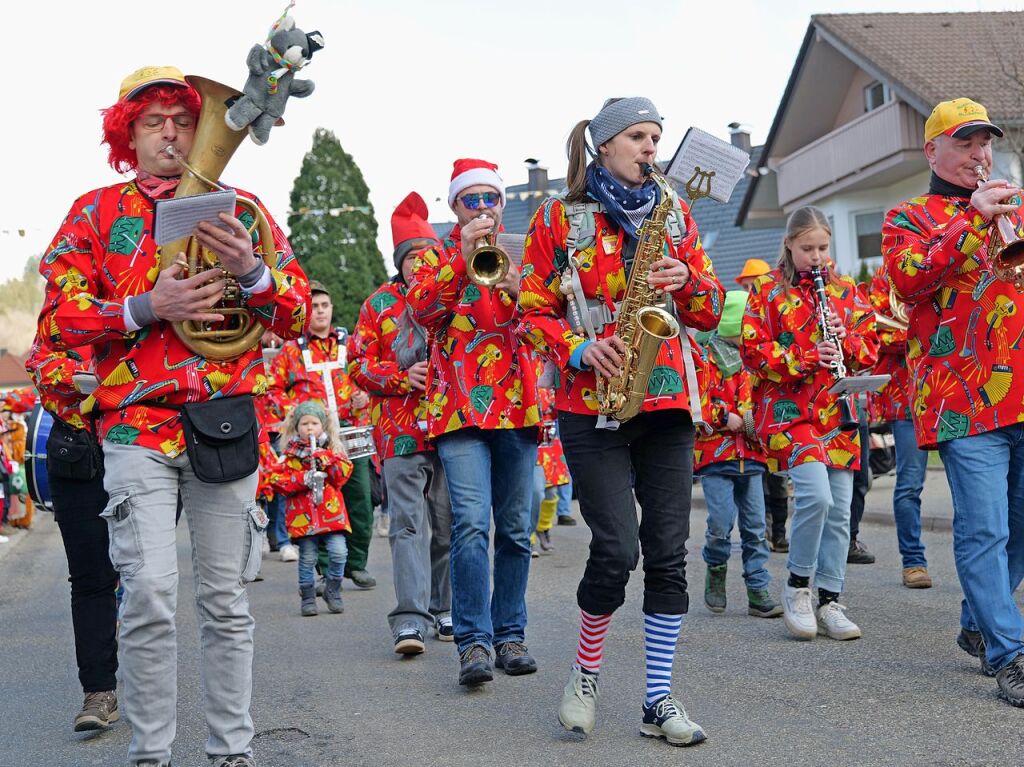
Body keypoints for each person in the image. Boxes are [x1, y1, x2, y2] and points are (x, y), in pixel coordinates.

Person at [35, 65, 310, 767]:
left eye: (182, 120)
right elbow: (58, 321)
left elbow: (300, 311)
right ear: (126, 135)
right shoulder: (93, 212)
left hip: (222, 419)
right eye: (152, 121)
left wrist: (252, 271)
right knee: (150, 593)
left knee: (225, 600)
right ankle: (151, 752)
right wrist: (146, 307)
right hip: (135, 425)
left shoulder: (240, 206)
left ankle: (231, 751)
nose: (170, 133)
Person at [517, 97, 724, 746]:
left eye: (656, 136)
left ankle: (658, 697)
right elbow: (528, 307)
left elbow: (713, 308)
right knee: (616, 548)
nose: (650, 146)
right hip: (590, 403)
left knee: (668, 553)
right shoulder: (558, 217)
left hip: (665, 399)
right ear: (604, 144)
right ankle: (585, 672)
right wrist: (577, 348)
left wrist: (687, 277)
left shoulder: (676, 211)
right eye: (637, 135)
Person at [882, 97, 1024, 705]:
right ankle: (1010, 652)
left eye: (983, 143)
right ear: (932, 151)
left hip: (1020, 389)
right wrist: (970, 218)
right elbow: (912, 279)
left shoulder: (1014, 209)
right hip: (962, 401)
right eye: (964, 143)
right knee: (985, 530)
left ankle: (978, 620)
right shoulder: (906, 216)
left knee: (1021, 529)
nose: (978, 154)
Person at [407, 158, 541, 687]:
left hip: (518, 405)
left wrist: (517, 288)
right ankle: (473, 642)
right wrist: (459, 262)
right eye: (472, 200)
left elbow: (549, 322)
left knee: (514, 528)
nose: (483, 208)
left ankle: (510, 633)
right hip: (458, 406)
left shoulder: (525, 255)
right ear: (454, 207)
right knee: (469, 524)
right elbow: (420, 312)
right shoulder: (433, 258)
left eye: (491, 199)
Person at [742, 206, 878, 643]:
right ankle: (798, 586)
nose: (816, 257)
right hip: (790, 411)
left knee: (840, 510)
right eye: (807, 248)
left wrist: (847, 337)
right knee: (816, 497)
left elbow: (870, 348)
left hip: (837, 410)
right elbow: (752, 352)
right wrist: (804, 356)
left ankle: (830, 598)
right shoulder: (766, 291)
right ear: (789, 244)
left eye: (822, 247)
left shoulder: (845, 290)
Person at [348, 192, 453, 655]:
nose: (418, 264)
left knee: (450, 525)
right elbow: (355, 364)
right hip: (398, 432)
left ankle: (446, 608)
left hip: (452, 430)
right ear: (400, 262)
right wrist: (399, 375)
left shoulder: (452, 300)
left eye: (427, 255)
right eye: (411, 257)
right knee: (409, 525)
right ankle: (409, 619)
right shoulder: (377, 305)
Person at [25, 339, 119, 732]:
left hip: (145, 444)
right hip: (75, 453)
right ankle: (100, 691)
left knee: (148, 576)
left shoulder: (149, 296)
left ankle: (152, 690)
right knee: (90, 579)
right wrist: (97, 379)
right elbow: (38, 363)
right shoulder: (64, 306)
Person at [270, 281, 376, 588]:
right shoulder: (291, 350)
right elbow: (272, 390)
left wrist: (363, 394)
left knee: (360, 501)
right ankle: (326, 570)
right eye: (313, 307)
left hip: (351, 434)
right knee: (316, 503)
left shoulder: (349, 343)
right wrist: (299, 412)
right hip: (311, 442)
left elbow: (367, 373)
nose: (319, 311)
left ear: (331, 308)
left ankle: (356, 564)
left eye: (324, 306)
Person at [695, 290, 781, 618]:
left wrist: (762, 422)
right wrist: (725, 418)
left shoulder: (758, 362)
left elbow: (770, 401)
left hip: (754, 457)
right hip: (717, 455)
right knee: (720, 522)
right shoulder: (709, 358)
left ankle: (758, 588)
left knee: (756, 526)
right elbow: (698, 402)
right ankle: (716, 568)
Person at [865, 265, 931, 587]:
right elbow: (878, 335)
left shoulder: (941, 269)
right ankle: (913, 561)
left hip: (947, 397)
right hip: (906, 399)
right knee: (909, 483)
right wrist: (924, 331)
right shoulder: (884, 279)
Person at [270, 399, 352, 616]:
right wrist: (303, 478)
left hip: (332, 517)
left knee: (339, 552)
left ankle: (332, 590)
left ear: (323, 426)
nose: (309, 428)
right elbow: (277, 480)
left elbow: (342, 476)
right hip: (303, 519)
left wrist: (326, 460)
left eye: (314, 423)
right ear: (296, 427)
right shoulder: (289, 455)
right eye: (304, 424)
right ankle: (307, 597)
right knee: (307, 558)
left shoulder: (332, 450)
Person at [737, 258, 790, 550]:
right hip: (746, 418)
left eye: (752, 284)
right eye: (746, 285)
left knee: (778, 479)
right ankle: (762, 530)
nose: (749, 289)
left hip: (773, 412)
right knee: (758, 481)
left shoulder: (773, 305)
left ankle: (779, 532)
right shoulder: (739, 312)